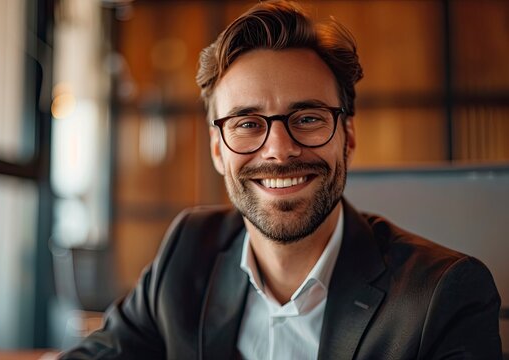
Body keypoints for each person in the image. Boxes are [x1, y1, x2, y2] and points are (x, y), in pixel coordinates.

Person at [60, 1, 502, 359]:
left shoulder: (445, 294)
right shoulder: (188, 249)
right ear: (218, 150)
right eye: (248, 123)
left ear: (347, 136)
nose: (278, 150)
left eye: (307, 118)